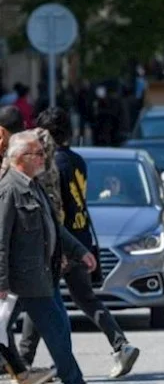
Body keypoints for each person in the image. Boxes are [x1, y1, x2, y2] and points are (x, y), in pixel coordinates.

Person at [16, 108, 140, 379]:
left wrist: (54, 247)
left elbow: (55, 208)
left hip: (64, 241)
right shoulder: (77, 160)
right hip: (80, 236)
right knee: (81, 298)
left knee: (40, 298)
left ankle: (25, 361)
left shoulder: (53, 165)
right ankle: (120, 344)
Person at [0, 131, 97, 384]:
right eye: (38, 154)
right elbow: (0, 239)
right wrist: (1, 282)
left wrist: (80, 251)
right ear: (21, 157)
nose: (44, 158)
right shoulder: (9, 189)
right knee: (56, 334)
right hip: (23, 279)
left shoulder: (34, 185)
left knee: (59, 332)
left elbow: (55, 227)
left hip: (42, 275)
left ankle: (32, 372)